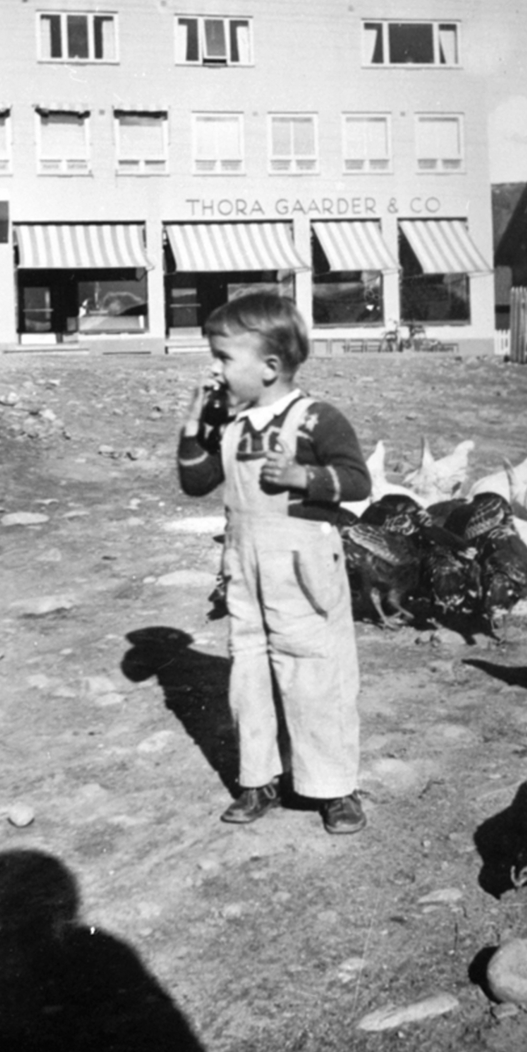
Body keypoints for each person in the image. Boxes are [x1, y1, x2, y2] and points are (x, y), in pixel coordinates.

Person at [177, 291, 372, 834]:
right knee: (250, 672)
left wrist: (304, 479)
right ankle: (258, 777)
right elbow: (195, 482)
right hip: (244, 564)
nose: (214, 370)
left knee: (314, 673)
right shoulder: (233, 426)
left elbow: (358, 481)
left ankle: (333, 786)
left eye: (223, 358)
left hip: (302, 565)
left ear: (269, 366)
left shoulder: (315, 419)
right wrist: (193, 427)